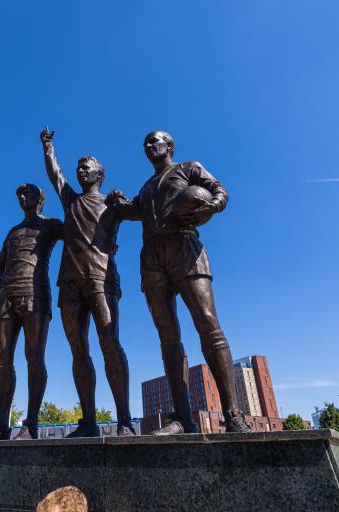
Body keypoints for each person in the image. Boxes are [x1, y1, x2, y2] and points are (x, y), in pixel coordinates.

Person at [107, 130, 251, 435]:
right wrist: (118, 202)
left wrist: (212, 206)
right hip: (153, 257)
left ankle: (234, 414)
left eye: (154, 141)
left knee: (207, 323)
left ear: (169, 145)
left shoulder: (188, 168)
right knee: (168, 336)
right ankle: (182, 418)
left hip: (185, 248)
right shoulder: (146, 187)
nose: (148, 146)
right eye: (145, 143)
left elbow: (220, 191)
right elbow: (135, 211)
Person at [39, 128, 134, 437]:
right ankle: (89, 422)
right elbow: (55, 175)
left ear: (99, 173)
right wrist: (48, 146)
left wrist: (124, 203)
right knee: (78, 350)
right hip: (68, 282)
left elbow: (139, 212)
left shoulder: (112, 203)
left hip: (101, 278)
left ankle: (124, 420)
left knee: (110, 344)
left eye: (87, 166)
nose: (81, 170)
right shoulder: (70, 201)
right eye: (78, 166)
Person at [0, 184, 63, 441]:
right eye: (19, 195)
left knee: (34, 356)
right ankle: (1, 425)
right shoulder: (13, 231)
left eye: (27, 194)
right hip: (7, 298)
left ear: (39, 198)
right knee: (3, 358)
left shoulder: (51, 225)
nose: (22, 197)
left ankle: (30, 423)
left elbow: (80, 234)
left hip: (36, 295)